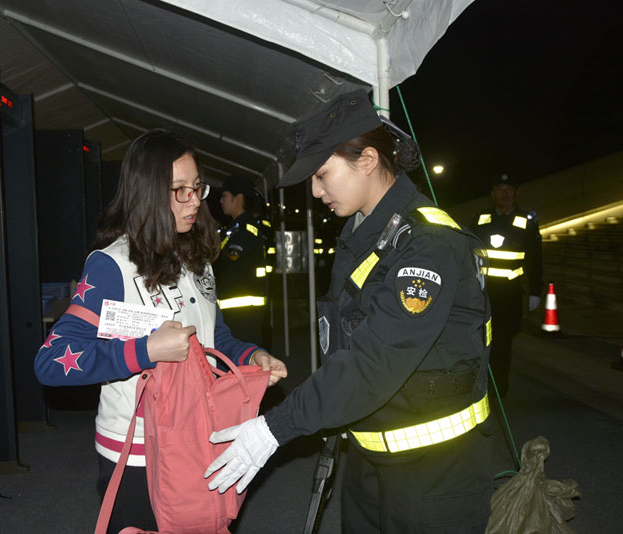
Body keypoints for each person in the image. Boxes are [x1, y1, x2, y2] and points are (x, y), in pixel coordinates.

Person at [205, 90, 494, 533]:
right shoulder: (366, 234)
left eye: (323, 174)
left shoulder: (427, 244)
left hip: (434, 472)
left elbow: (375, 361)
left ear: (368, 160)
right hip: (369, 456)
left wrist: (275, 427)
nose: (316, 191)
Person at [34, 129, 287, 533]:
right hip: (135, 453)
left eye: (198, 188)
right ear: (147, 193)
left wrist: (251, 356)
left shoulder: (198, 261)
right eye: (179, 190)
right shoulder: (111, 266)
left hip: (199, 439)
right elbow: (51, 362)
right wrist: (147, 350)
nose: (195, 201)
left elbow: (214, 338)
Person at [471, 174, 542, 397]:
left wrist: (536, 291)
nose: (505, 194)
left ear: (516, 193)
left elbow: (535, 258)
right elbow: (469, 253)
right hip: (483, 294)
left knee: (503, 344)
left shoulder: (526, 222)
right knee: (480, 343)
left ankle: (498, 391)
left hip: (509, 295)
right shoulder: (481, 219)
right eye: (500, 190)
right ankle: (479, 387)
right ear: (493, 194)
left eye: (509, 190)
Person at [213, 175, 268, 346]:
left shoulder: (244, 231)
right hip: (235, 311)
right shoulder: (233, 229)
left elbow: (228, 264)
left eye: (225, 196)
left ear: (238, 198)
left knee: (244, 357)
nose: (221, 201)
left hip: (243, 314)